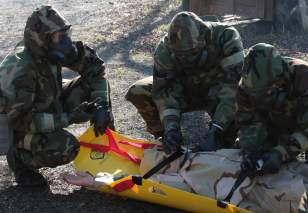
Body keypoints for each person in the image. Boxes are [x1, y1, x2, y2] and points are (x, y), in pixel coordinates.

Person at [0, 5, 114, 187]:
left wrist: (102, 106)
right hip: (18, 127)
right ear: (42, 40)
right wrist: (69, 118)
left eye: (66, 35)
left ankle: (109, 150)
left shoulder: (53, 49)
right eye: (60, 37)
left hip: (49, 101)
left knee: (94, 88)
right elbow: (20, 120)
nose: (66, 42)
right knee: (65, 147)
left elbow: (96, 72)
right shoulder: (20, 70)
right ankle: (20, 161)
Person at [126, 11, 244, 154]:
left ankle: (225, 136)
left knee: (229, 144)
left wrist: (218, 127)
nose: (187, 59)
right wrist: (171, 127)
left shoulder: (226, 37)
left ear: (204, 38)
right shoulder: (164, 51)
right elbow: (164, 92)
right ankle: (168, 139)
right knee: (139, 90)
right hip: (185, 93)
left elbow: (234, 86)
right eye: (181, 55)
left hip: (218, 94)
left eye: (192, 53)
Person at [236, 43, 308, 174]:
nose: (257, 99)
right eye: (254, 95)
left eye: (264, 94)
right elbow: (247, 120)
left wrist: (281, 152)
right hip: (279, 121)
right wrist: (251, 151)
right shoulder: (248, 87)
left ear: (278, 82)